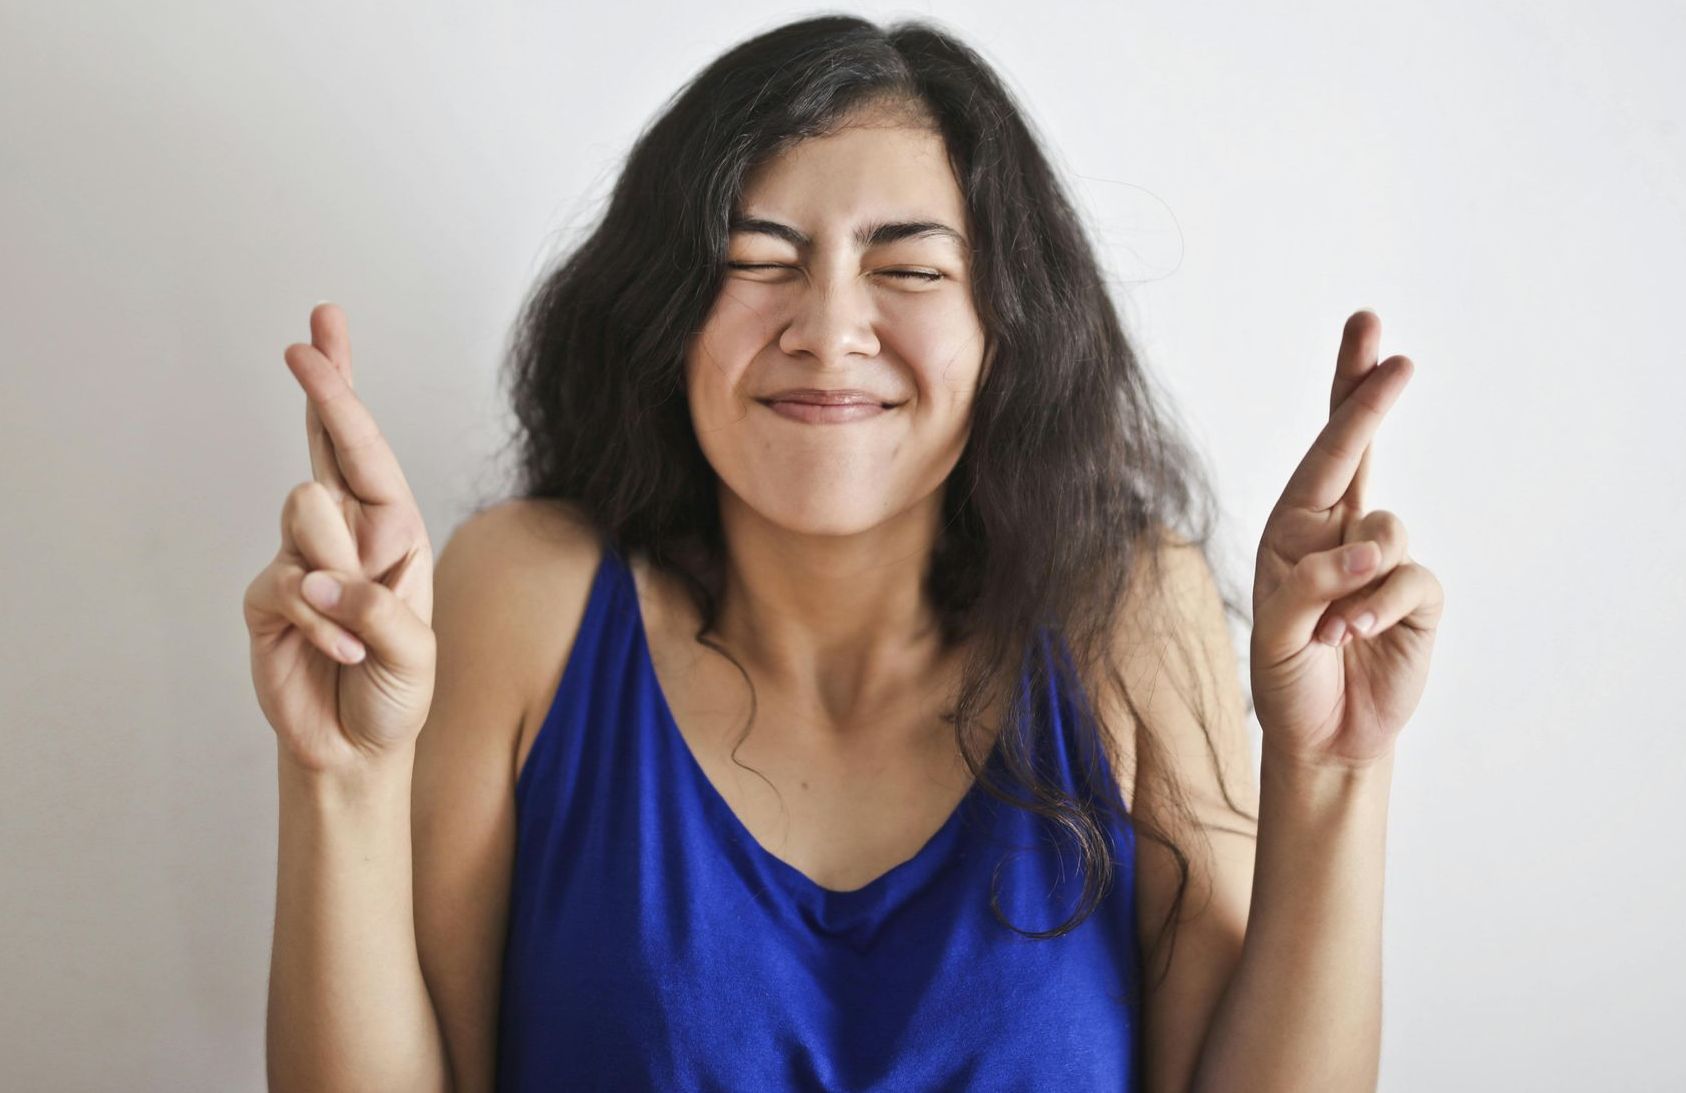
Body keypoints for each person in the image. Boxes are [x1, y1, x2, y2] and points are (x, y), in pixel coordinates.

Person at [247, 13, 1441, 1093]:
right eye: (756, 259)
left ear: (1006, 326)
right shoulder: (525, 594)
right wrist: (339, 779)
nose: (827, 331)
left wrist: (1333, 771)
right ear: (666, 312)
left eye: (910, 269)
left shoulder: (1129, 610)